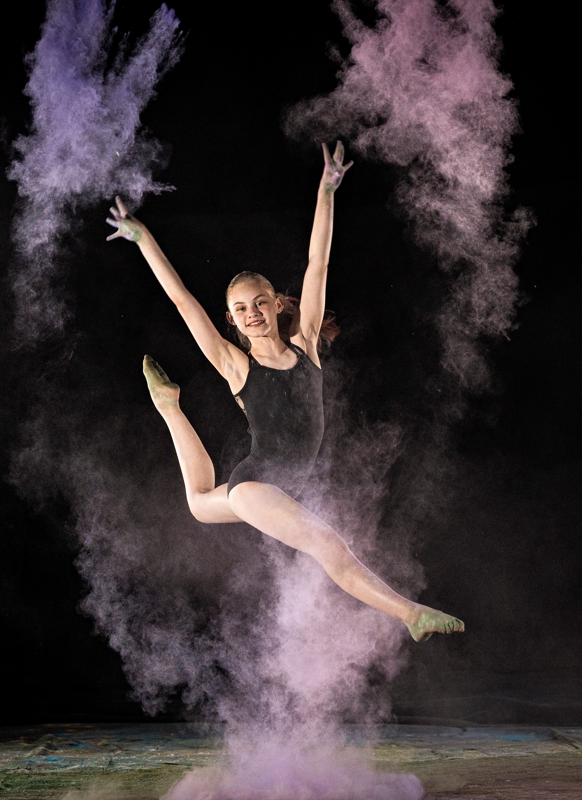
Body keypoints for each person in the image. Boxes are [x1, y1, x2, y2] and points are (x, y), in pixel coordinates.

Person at [106, 142, 464, 642]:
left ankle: (168, 407)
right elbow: (182, 299)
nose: (252, 313)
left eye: (259, 302)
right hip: (257, 486)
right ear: (231, 320)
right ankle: (411, 615)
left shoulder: (307, 346)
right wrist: (144, 239)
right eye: (240, 309)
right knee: (329, 548)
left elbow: (318, 262)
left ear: (276, 304)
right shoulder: (236, 365)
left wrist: (327, 190)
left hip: (280, 487)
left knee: (199, 503)